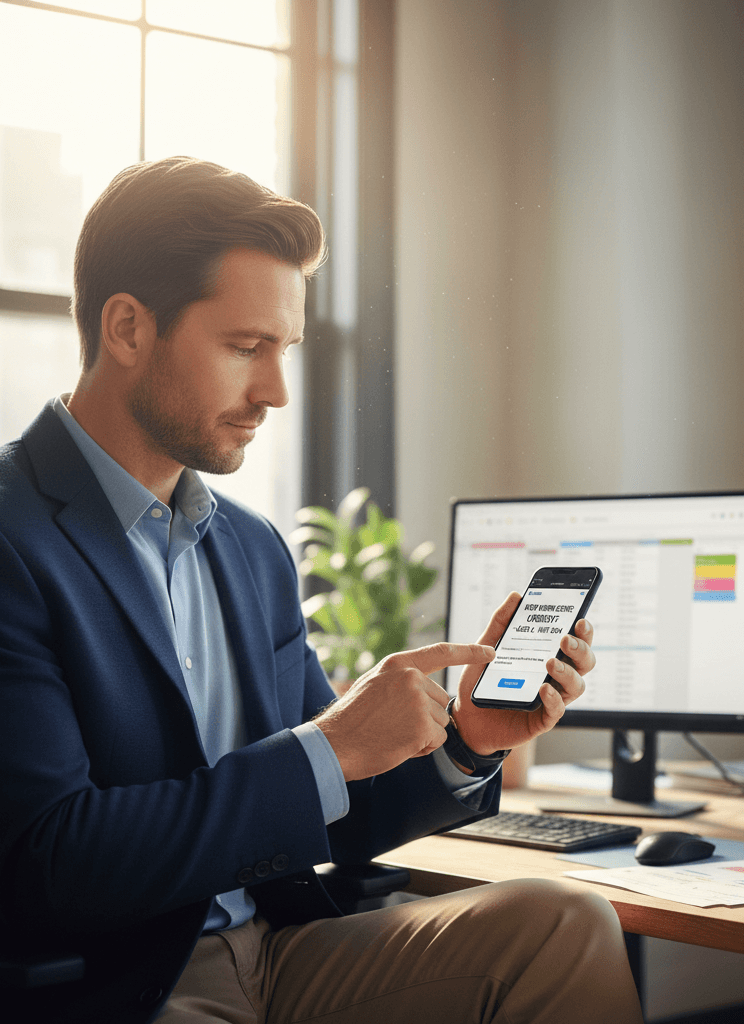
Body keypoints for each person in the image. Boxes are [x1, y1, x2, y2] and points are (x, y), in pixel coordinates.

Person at [0, 156, 644, 1024]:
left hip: (278, 952)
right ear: (127, 328)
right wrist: (330, 746)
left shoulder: (250, 548)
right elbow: (49, 862)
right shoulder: (13, 539)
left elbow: (329, 808)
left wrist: (465, 744)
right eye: (244, 347)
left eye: (285, 350)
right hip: (123, 990)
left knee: (562, 924)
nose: (274, 391)